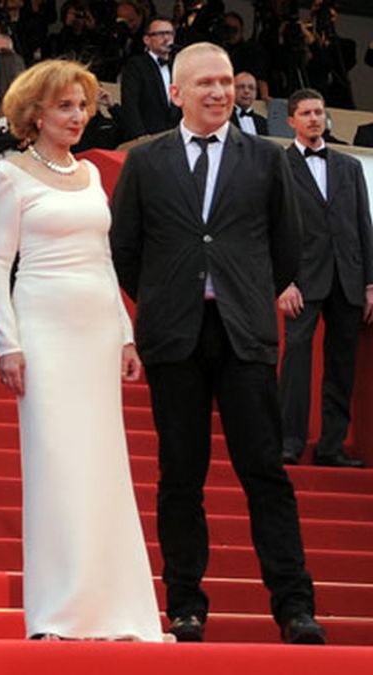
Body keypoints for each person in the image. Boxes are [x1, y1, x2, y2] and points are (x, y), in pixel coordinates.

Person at [110, 42, 325, 645]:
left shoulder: (267, 158)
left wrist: (250, 292)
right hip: (174, 336)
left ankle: (294, 604)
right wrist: (167, 296)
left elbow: (288, 245)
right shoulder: (146, 162)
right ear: (176, 92)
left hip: (245, 335)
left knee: (265, 473)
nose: (219, 92)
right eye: (204, 83)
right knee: (181, 476)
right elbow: (125, 251)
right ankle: (185, 606)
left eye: (226, 82)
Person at [0, 59, 162, 641]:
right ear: (34, 114)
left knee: (103, 466)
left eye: (83, 106)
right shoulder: (10, 174)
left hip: (95, 332)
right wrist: (8, 343)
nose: (78, 116)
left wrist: (126, 332)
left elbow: (106, 260)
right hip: (43, 328)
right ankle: (59, 611)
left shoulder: (90, 175)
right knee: (56, 466)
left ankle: (117, 609)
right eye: (65, 106)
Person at [277, 88, 371, 470]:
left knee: (341, 364)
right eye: (307, 113)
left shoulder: (349, 167)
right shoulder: (277, 166)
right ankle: (288, 442)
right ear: (291, 121)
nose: (315, 119)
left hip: (348, 279)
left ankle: (332, 447)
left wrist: (370, 282)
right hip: (301, 280)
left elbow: (364, 226)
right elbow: (270, 227)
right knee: (296, 360)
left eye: (319, 112)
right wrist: (282, 282)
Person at [118, 16, 180, 141]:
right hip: (147, 138)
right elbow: (130, 103)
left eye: (170, 33)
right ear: (147, 40)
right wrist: (140, 136)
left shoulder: (179, 65)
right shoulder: (136, 65)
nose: (166, 38)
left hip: (174, 138)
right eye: (160, 34)